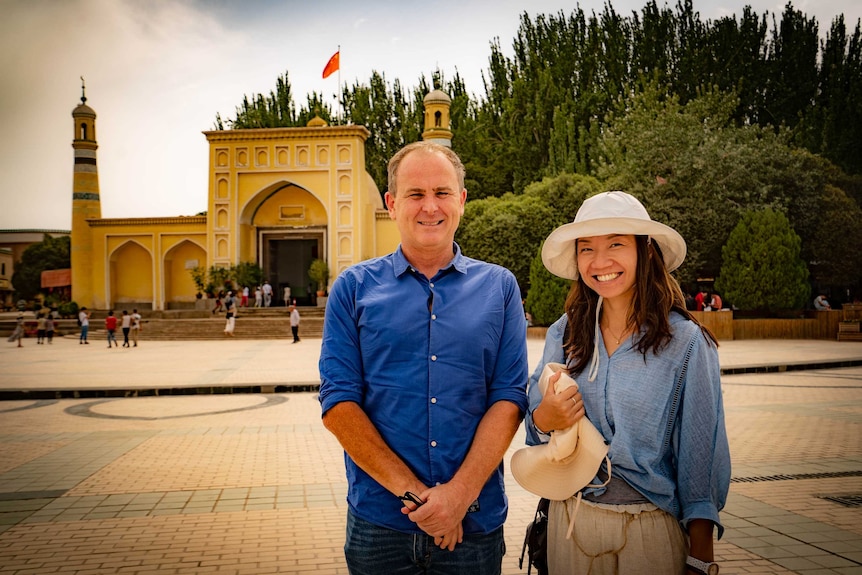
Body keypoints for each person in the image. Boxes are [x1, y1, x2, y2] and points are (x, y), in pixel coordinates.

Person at [318, 141, 529, 575]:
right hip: (380, 525)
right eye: (415, 194)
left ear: (462, 200)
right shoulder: (353, 289)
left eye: (442, 192)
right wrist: (420, 500)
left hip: (473, 525)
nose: (429, 206)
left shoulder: (499, 288)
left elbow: (508, 398)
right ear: (392, 204)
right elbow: (338, 404)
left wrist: (457, 498)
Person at [522, 191, 730, 575]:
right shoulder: (564, 333)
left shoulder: (687, 344)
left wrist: (700, 558)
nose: (600, 262)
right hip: (571, 524)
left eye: (616, 244)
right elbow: (534, 437)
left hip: (649, 529)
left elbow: (701, 458)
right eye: (587, 249)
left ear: (646, 251)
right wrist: (543, 418)